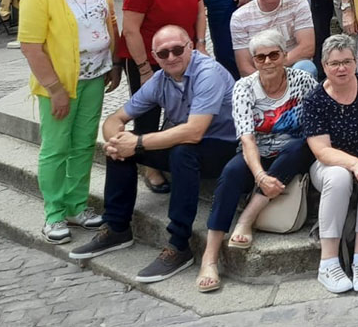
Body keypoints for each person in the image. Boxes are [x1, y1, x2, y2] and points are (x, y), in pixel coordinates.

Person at [69, 25, 238, 284]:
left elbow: (194, 131)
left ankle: (179, 245)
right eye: (163, 53)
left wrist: (136, 142)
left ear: (191, 48)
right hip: (187, 143)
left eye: (177, 50)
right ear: (155, 56)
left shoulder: (208, 74)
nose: (171, 57)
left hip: (224, 148)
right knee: (119, 150)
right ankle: (116, 228)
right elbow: (116, 118)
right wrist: (116, 140)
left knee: (181, 151)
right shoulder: (160, 79)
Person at [19, 0, 120, 244]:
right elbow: (31, 46)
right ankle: (54, 214)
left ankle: (77, 206)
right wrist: (54, 88)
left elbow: (111, 23)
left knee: (84, 144)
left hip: (94, 77)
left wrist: (114, 62)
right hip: (60, 83)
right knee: (56, 147)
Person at [197, 29, 317, 292]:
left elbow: (315, 123)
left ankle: (247, 218)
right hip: (257, 152)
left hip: (294, 151)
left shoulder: (303, 81)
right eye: (260, 57)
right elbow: (247, 139)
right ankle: (210, 257)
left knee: (300, 146)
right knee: (230, 174)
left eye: (274, 54)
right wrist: (260, 175)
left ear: (285, 55)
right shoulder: (244, 88)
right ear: (253, 61)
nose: (267, 62)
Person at [120, 0, 207, 195]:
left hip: (184, 54)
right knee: (147, 113)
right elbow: (130, 30)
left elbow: (199, 10)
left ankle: (178, 154)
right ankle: (150, 167)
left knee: (186, 106)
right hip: (148, 57)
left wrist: (200, 43)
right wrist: (144, 68)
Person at [302, 34, 358, 294]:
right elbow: (321, 151)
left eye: (347, 61)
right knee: (338, 176)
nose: (341, 68)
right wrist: (353, 164)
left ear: (356, 61)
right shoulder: (315, 100)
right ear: (324, 66)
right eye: (334, 63)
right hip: (329, 164)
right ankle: (328, 262)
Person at [230, 0, 316, 78]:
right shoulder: (239, 17)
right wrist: (269, 77)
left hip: (293, 67)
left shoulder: (298, 2)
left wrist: (275, 69)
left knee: (306, 67)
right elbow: (244, 67)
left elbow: (307, 48)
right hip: (261, 75)